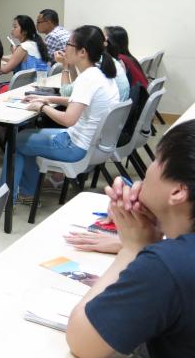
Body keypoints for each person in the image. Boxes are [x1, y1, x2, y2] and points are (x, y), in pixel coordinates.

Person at [67, 121, 195, 358]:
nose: (147, 170)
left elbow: (82, 343)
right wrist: (158, 224)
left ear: (177, 192)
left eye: (157, 159)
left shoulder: (168, 266)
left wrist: (133, 248)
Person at [9, 26, 120, 204]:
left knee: (16, 140)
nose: (64, 48)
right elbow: (76, 101)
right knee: (24, 136)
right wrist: (45, 98)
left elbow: (69, 119)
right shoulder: (100, 73)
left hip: (75, 146)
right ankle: (28, 192)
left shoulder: (88, 78)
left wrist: (42, 107)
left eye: (69, 44)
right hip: (91, 143)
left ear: (82, 52)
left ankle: (7, 200)